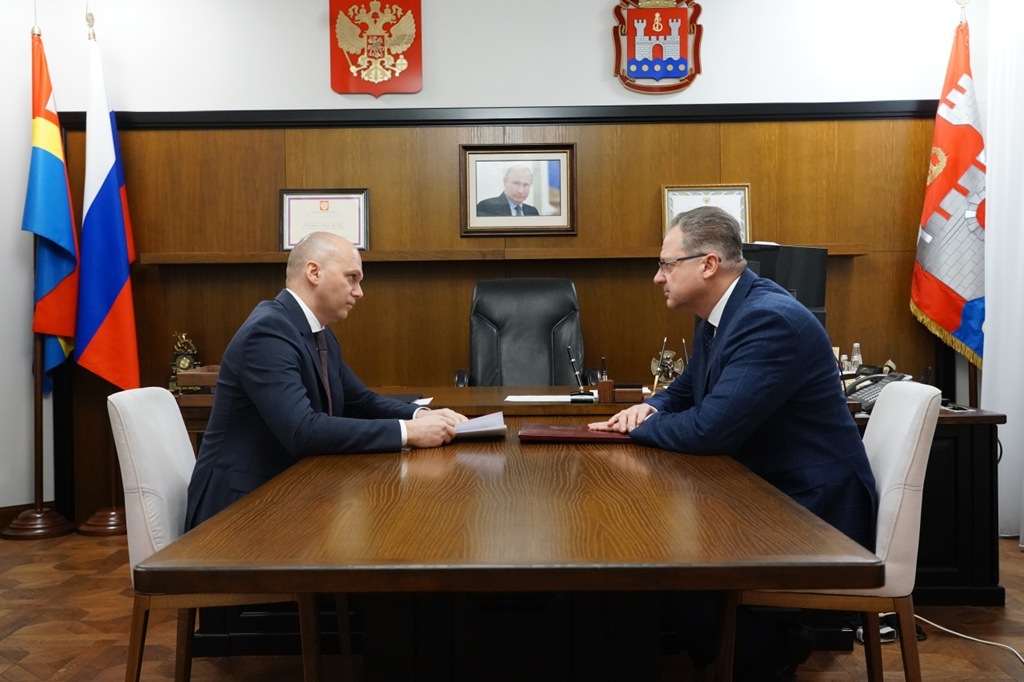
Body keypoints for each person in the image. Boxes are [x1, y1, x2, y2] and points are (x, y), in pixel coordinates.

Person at [589, 206, 878, 679]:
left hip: (811, 509)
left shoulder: (768, 319)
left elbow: (709, 430)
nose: (657, 278)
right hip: (770, 489)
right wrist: (650, 408)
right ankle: (752, 649)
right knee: (651, 555)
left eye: (666, 264)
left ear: (707, 264)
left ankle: (767, 652)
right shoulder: (722, 311)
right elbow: (687, 391)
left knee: (665, 568)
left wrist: (635, 429)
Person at [185, 232, 467, 530]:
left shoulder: (316, 331)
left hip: (289, 491)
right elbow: (303, 430)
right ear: (314, 272)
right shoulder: (268, 332)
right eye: (351, 278)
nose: (359, 292)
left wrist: (421, 414)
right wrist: (409, 432)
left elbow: (360, 400)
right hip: (238, 510)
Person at [475, 165, 540, 216]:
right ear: (505, 182)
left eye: (525, 185)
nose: (520, 191)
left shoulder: (532, 212)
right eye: (516, 183)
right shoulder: (486, 208)